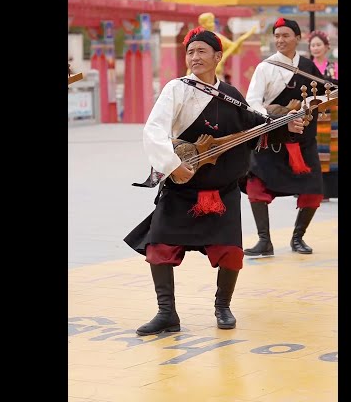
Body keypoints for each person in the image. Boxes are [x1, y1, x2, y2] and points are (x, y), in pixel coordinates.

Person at [124, 26, 305, 335]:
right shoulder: (176, 89)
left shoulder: (232, 96)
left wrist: (289, 126)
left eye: (201, 51)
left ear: (218, 56)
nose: (194, 57)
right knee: (160, 246)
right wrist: (172, 165)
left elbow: (257, 126)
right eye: (190, 52)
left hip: (222, 192)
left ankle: (223, 307)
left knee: (230, 252)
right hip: (183, 189)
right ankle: (167, 313)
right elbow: (153, 130)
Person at [242, 18, 327, 257]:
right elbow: (253, 103)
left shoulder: (308, 66)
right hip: (272, 139)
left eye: (286, 35)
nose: (280, 40)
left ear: (298, 38)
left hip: (302, 140)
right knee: (256, 186)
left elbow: (327, 91)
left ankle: (298, 238)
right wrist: (273, 117)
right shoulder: (265, 67)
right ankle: (264, 241)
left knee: (313, 189)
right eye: (277, 35)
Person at [308, 30, 338, 201]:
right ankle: (310, 189)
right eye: (313, 45)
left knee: (331, 152)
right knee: (312, 149)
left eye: (319, 45)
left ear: (326, 47)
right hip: (312, 114)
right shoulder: (306, 66)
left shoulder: (334, 68)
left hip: (332, 115)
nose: (316, 48)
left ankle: (329, 190)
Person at [197, 12, 257, 79]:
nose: (212, 24)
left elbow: (234, 48)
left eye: (212, 21)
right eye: (209, 22)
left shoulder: (219, 38)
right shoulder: (196, 40)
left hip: (216, 76)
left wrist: (243, 38)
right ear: (202, 24)